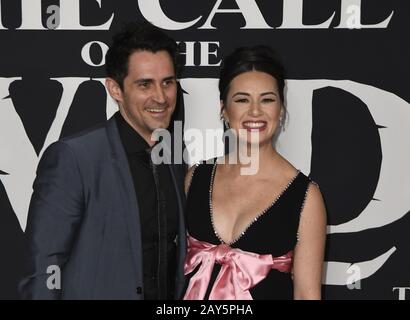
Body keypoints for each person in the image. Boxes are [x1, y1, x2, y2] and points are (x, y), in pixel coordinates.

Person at [19, 21, 187, 300]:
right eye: (145, 84)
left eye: (167, 83)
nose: (160, 97)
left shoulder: (174, 157)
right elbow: (44, 268)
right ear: (115, 89)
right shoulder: (73, 158)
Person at [183, 46, 327, 300]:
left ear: (281, 109)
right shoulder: (195, 178)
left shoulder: (306, 198)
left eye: (267, 99)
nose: (255, 111)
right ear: (223, 109)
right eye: (242, 99)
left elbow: (306, 294)